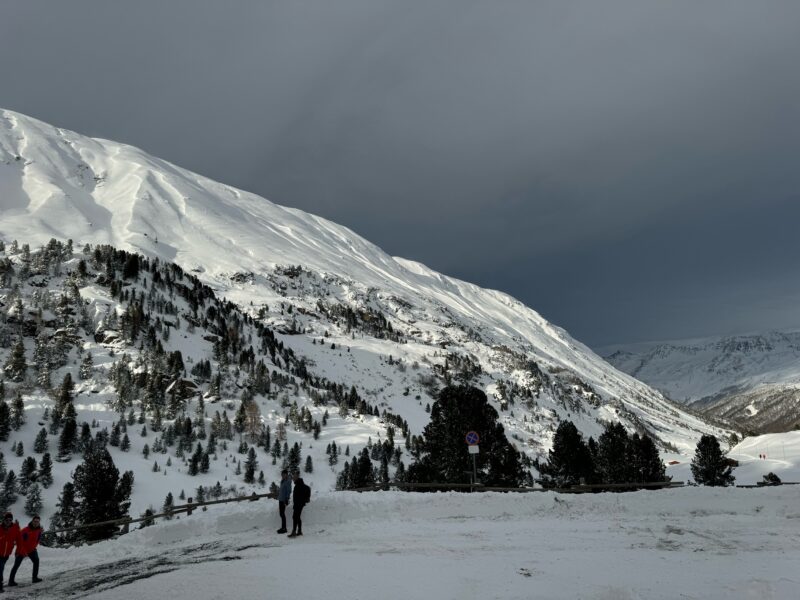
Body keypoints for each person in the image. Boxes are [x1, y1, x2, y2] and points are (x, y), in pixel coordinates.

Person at [7, 515, 43, 587]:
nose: (36, 523)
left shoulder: (39, 530)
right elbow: (19, 542)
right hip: (21, 550)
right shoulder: (25, 530)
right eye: (35, 521)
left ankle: (34, 578)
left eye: (37, 522)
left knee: (36, 561)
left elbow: (38, 539)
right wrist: (23, 551)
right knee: (16, 565)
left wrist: (34, 547)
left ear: (39, 523)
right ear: (32, 521)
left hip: (32, 550)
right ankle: (11, 581)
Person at [0, 512, 20, 593]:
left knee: (1, 568)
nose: (8, 521)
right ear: (4, 520)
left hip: (6, 554)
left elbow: (19, 539)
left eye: (10, 520)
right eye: (7, 519)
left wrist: (18, 550)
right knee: (0, 568)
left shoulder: (15, 528)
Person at [288, 470, 310, 538]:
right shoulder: (298, 484)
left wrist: (304, 500)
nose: (293, 478)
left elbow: (307, 489)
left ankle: (294, 531)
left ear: (297, 476)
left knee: (295, 517)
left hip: (299, 504)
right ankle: (299, 531)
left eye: (294, 476)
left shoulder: (299, 485)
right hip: (298, 504)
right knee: (297, 517)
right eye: (293, 477)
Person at [276, 469, 292, 534]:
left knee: (282, 514)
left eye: (283, 474)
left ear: (286, 474)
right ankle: (283, 527)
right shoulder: (283, 481)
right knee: (281, 514)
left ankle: (284, 528)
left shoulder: (288, 481)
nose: (282, 475)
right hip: (281, 499)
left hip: (283, 500)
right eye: (281, 474)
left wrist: (286, 499)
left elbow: (289, 491)